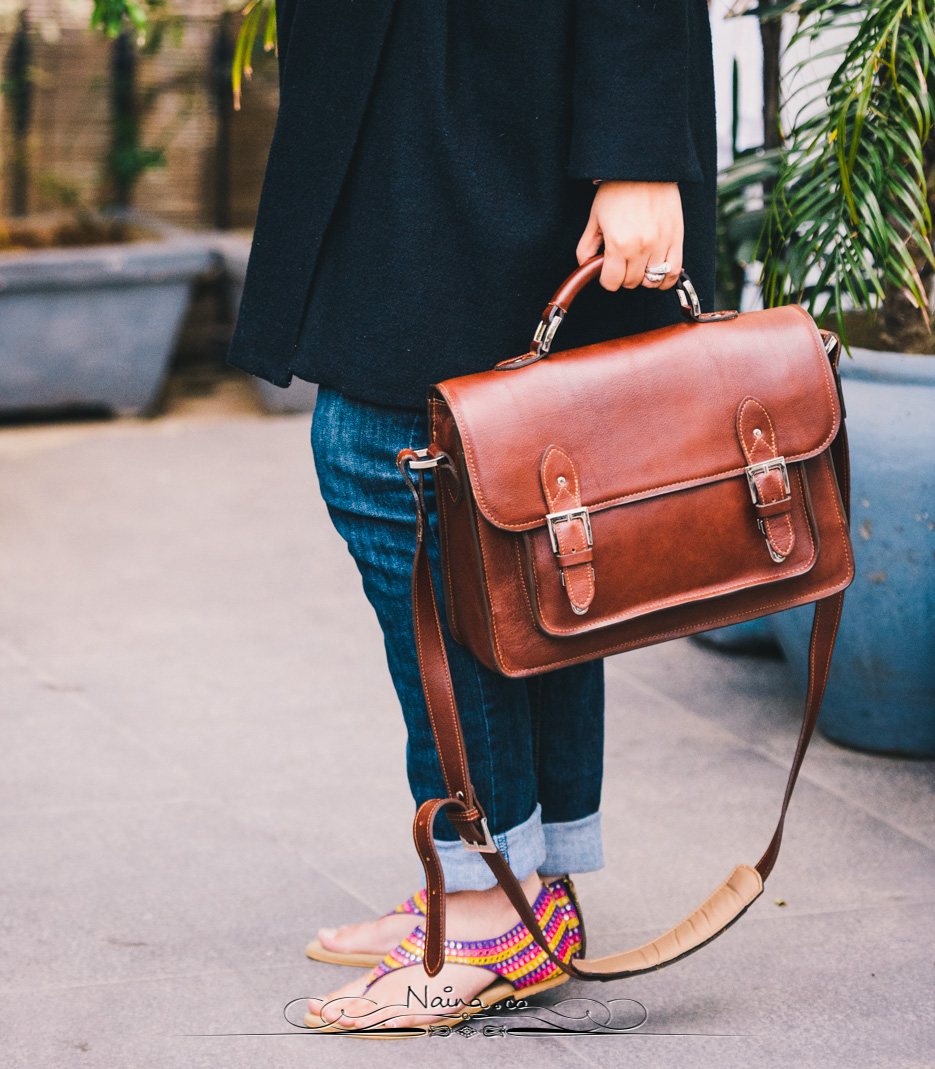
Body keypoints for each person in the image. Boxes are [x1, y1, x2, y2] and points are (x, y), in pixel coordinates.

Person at [228, 0, 717, 1033]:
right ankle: (525, 881)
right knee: (528, 498)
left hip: (505, 84)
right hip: (427, 76)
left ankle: (491, 897)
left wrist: (635, 147)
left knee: (394, 464)